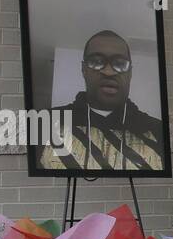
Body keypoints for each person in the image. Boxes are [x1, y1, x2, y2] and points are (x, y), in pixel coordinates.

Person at [38, 30, 165, 172]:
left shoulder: (158, 130)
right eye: (97, 62)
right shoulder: (44, 122)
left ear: (130, 73)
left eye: (120, 63)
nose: (109, 72)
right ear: (84, 69)